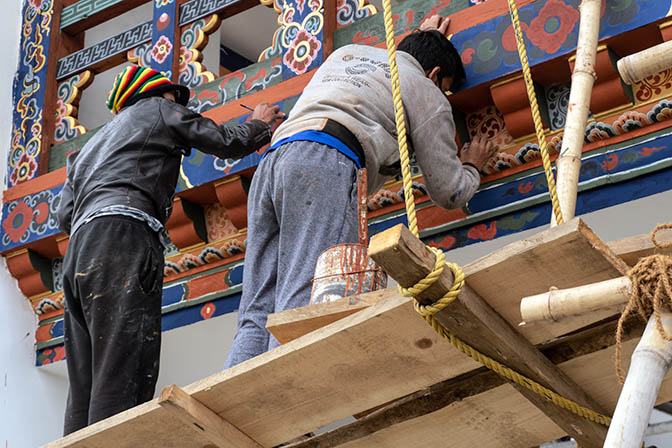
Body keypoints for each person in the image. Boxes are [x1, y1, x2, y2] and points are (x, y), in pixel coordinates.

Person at [224, 15, 498, 368]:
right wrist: (472, 166)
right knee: (306, 290)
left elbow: (401, 59)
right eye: (443, 85)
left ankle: (238, 396)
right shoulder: (423, 86)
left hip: (275, 162)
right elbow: (447, 191)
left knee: (257, 304)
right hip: (325, 162)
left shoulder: (349, 54)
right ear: (434, 75)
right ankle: (287, 401)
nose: (441, 93)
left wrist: (427, 37)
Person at [56, 64, 284, 435]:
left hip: (81, 249)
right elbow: (225, 141)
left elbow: (65, 214)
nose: (177, 104)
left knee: (85, 377)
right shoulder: (158, 109)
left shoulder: (85, 150)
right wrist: (258, 123)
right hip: (124, 236)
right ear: (159, 95)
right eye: (174, 99)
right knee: (122, 362)